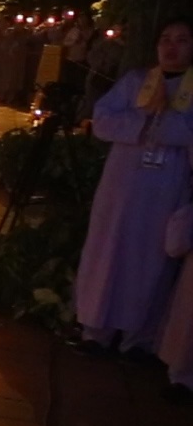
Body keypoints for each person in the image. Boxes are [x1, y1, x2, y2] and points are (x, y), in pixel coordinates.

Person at [75, 18, 193, 357]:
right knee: (109, 251)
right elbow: (102, 120)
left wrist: (166, 121)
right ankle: (96, 330)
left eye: (182, 40)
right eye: (165, 39)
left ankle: (138, 339)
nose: (171, 47)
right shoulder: (136, 82)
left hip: (166, 190)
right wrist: (143, 120)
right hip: (121, 188)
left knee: (151, 259)